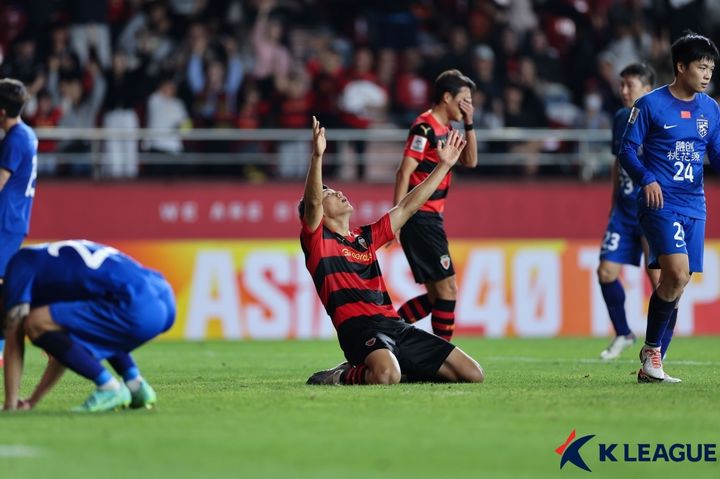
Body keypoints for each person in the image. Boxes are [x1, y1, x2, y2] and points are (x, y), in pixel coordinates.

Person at [302, 117, 483, 385]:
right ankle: (339, 375)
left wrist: (443, 166)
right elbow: (313, 201)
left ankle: (388, 365)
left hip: (396, 326)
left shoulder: (365, 237)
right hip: (359, 330)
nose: (339, 192)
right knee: (387, 376)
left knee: (473, 374)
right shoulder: (318, 242)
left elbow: (408, 207)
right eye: (330, 193)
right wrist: (317, 157)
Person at [619, 32, 720, 383]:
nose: (707, 74)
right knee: (674, 274)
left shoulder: (711, 109)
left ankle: (652, 364)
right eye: (701, 67)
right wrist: (647, 177)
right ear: (681, 67)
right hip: (660, 201)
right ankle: (651, 350)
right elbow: (627, 150)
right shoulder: (650, 105)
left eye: (710, 68)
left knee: (679, 284)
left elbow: (717, 156)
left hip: (695, 204)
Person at [2, 240, 176, 411]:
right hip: (162, 295)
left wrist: (10, 405)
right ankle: (136, 385)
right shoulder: (48, 269)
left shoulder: (18, 267)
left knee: (34, 322)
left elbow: (14, 343)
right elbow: (66, 350)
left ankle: (109, 387)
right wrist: (32, 401)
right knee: (90, 330)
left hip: (135, 305)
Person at [393, 70, 478, 341]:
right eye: (464, 100)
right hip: (419, 217)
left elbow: (470, 161)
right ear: (446, 97)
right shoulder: (425, 127)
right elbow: (404, 172)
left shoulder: (448, 130)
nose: (468, 105)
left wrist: (469, 123)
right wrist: (396, 217)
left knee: (436, 297)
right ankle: (442, 355)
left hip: (432, 219)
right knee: (448, 290)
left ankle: (388, 333)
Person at [597, 63, 660, 360]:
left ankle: (659, 348)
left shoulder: (660, 119)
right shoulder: (621, 118)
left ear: (647, 90)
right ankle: (623, 332)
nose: (623, 91)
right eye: (621, 85)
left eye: (629, 85)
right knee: (606, 272)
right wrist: (612, 203)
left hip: (651, 210)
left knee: (659, 283)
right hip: (623, 211)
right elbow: (617, 163)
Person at [0, 78, 37, 367]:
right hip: (13, 220)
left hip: (5, 221)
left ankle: (47, 330)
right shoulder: (27, 135)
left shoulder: (14, 140)